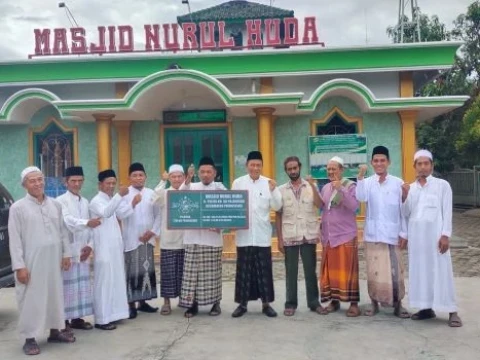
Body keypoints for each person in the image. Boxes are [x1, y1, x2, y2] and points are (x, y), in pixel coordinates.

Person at [8, 166, 73, 356]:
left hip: (53, 261)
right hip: (31, 262)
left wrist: (66, 254)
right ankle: (29, 338)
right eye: (32, 181)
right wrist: (19, 266)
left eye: (39, 179)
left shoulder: (55, 205)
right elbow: (15, 239)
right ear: (24, 184)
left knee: (54, 295)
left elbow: (62, 232)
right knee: (31, 299)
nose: (37, 184)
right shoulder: (18, 208)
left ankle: (55, 331)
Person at [400, 149, 462, 327]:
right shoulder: (410, 188)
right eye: (419, 164)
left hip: (436, 237)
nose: (423, 167)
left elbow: (447, 211)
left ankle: (452, 310)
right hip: (417, 238)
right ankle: (426, 308)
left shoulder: (442, 185)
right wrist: (404, 196)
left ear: (432, 166)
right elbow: (405, 213)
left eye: (426, 163)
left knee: (442, 271)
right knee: (420, 273)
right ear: (414, 167)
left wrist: (445, 235)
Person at [356, 146, 409, 318]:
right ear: (372, 163)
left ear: (388, 162)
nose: (379, 163)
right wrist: (360, 177)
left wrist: (404, 233)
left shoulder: (398, 183)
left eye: (382, 160)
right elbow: (360, 197)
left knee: (396, 272)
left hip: (393, 236)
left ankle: (398, 305)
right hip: (373, 235)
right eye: (376, 161)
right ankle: (374, 303)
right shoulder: (368, 182)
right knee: (374, 271)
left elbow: (403, 211)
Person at [231, 151, 282, 318]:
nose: (255, 168)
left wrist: (274, 191)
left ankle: (266, 304)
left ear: (262, 166)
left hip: (262, 237)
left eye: (258, 165)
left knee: (264, 272)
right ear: (247, 166)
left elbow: (277, 206)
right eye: (252, 165)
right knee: (244, 272)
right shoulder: (238, 183)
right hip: (244, 237)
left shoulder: (269, 183)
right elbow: (232, 207)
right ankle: (242, 305)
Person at [276, 156, 324, 316]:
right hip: (290, 235)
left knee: (310, 271)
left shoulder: (311, 186)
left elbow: (320, 205)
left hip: (308, 235)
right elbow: (278, 215)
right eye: (289, 169)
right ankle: (290, 303)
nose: (293, 171)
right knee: (291, 272)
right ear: (286, 171)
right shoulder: (281, 190)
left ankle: (314, 302)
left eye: (295, 168)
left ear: (300, 167)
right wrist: (279, 239)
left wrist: (313, 186)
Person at [179, 157, 226, 318]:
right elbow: (179, 198)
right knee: (192, 275)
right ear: (198, 173)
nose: (206, 175)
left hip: (212, 240)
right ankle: (192, 305)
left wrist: (220, 226)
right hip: (192, 239)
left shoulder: (220, 189)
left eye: (209, 172)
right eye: (203, 172)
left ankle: (215, 304)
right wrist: (187, 179)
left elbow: (230, 213)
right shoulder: (190, 186)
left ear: (214, 173)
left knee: (212, 274)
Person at [89, 169, 136, 330]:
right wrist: (119, 195)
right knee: (104, 282)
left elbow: (121, 214)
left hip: (115, 247)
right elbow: (107, 212)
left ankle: (115, 314)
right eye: (108, 183)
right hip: (103, 248)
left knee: (116, 280)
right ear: (100, 184)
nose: (111, 186)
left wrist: (133, 204)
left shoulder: (111, 199)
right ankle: (102, 319)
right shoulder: (96, 201)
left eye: (113, 183)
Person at [57, 166, 101, 332]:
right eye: (73, 181)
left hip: (82, 251)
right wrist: (86, 223)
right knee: (66, 287)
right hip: (67, 251)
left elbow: (91, 227)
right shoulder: (60, 200)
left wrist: (89, 247)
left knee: (81, 287)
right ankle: (63, 321)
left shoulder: (85, 201)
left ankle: (77, 318)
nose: (77, 184)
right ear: (66, 182)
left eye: (79, 181)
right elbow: (67, 221)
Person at [319, 156, 361, 317]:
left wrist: (341, 189)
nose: (330, 172)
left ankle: (354, 304)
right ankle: (334, 301)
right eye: (328, 169)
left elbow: (354, 206)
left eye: (334, 169)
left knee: (349, 272)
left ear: (341, 170)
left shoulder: (350, 186)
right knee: (332, 272)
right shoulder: (326, 188)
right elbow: (324, 209)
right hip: (330, 237)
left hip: (345, 236)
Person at [121, 162, 160, 319]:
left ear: (145, 177)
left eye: (141, 175)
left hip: (147, 239)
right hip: (131, 239)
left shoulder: (152, 193)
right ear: (129, 178)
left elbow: (158, 215)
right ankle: (131, 306)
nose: (138, 178)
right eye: (135, 175)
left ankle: (142, 303)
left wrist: (152, 232)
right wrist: (132, 203)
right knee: (132, 273)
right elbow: (121, 215)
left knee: (146, 271)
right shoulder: (124, 194)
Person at [151, 164, 186, 315]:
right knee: (168, 273)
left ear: (184, 177)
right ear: (170, 178)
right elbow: (154, 198)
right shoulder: (165, 193)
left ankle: (186, 300)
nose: (177, 179)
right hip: (169, 241)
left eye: (180, 176)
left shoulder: (189, 192)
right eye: (173, 177)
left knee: (186, 274)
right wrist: (162, 180)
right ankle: (166, 303)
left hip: (187, 240)